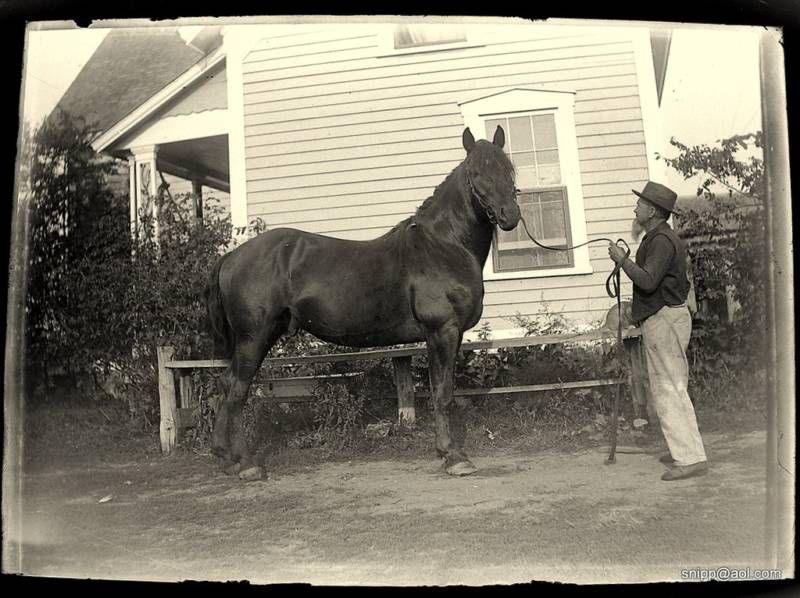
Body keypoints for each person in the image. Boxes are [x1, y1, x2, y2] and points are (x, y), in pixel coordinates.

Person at [608, 181, 708, 481]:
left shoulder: (662, 240)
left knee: (669, 389)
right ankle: (688, 451)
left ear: (652, 211)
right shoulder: (658, 237)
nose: (635, 207)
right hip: (664, 318)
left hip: (664, 320)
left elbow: (649, 281)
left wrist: (622, 261)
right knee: (672, 387)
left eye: (640, 204)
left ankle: (689, 458)